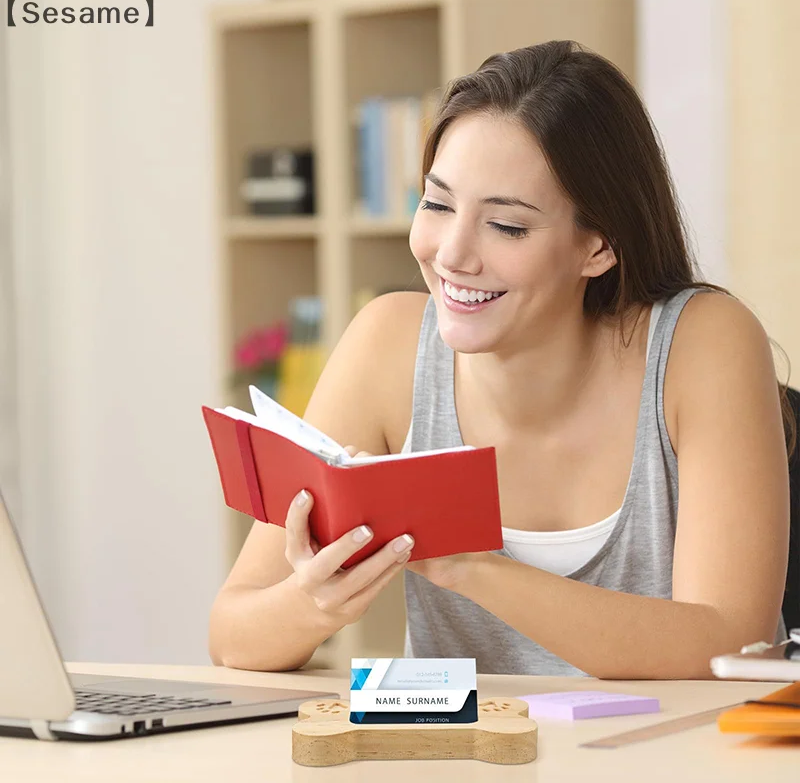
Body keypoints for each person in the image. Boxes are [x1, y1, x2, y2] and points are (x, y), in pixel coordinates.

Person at [209, 40, 792, 678]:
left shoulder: (701, 344)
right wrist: (314, 601)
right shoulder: (388, 344)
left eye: (506, 226)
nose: (452, 254)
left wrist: (471, 566)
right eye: (436, 204)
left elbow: (733, 644)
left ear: (598, 245)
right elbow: (234, 636)